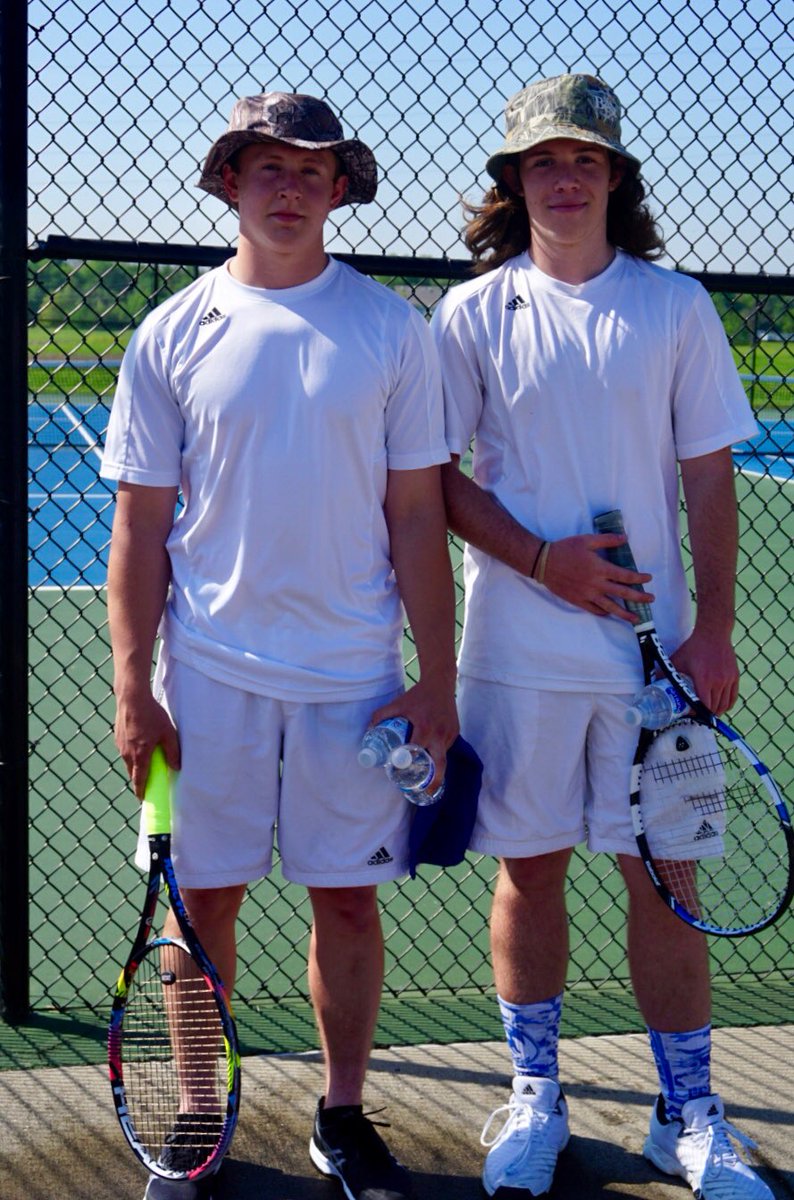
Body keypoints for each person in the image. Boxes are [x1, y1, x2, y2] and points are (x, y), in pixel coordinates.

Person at [101, 91, 458, 1200]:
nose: (291, 186)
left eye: (312, 170)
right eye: (269, 168)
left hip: (353, 681)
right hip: (200, 682)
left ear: (340, 187)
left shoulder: (393, 330)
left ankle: (340, 1118)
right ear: (230, 183)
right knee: (199, 906)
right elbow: (139, 527)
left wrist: (434, 680)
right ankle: (200, 1119)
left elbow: (414, 516)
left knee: (346, 902)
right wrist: (131, 686)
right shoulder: (172, 330)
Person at [431, 73, 772, 1200]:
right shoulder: (472, 314)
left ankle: (684, 1114)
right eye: (541, 160)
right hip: (513, 660)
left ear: (612, 174)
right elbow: (435, 480)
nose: (563, 176)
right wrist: (541, 563)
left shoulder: (673, 307)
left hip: (655, 666)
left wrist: (711, 628)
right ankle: (536, 1094)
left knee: (660, 876)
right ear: (514, 179)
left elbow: (707, 475)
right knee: (527, 877)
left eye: (582, 158)